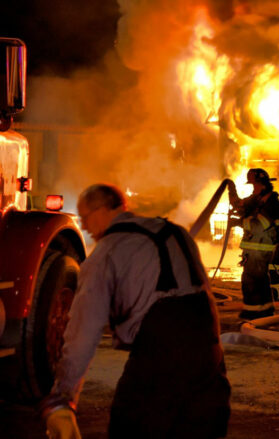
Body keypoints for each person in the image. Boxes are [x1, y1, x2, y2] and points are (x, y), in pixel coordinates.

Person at [40, 184, 230, 439]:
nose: (84, 227)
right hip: (209, 355)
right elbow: (203, 293)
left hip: (159, 358)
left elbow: (82, 334)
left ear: (103, 209)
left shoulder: (105, 254)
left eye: (85, 218)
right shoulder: (177, 233)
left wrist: (62, 398)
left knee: (131, 427)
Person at [230, 168, 279, 320]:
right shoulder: (257, 200)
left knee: (251, 281)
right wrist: (231, 191)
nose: (253, 189)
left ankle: (253, 313)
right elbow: (241, 205)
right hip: (254, 249)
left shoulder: (272, 203)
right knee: (259, 281)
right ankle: (264, 311)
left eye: (254, 185)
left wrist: (238, 222)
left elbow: (260, 224)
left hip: (262, 248)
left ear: (263, 185)